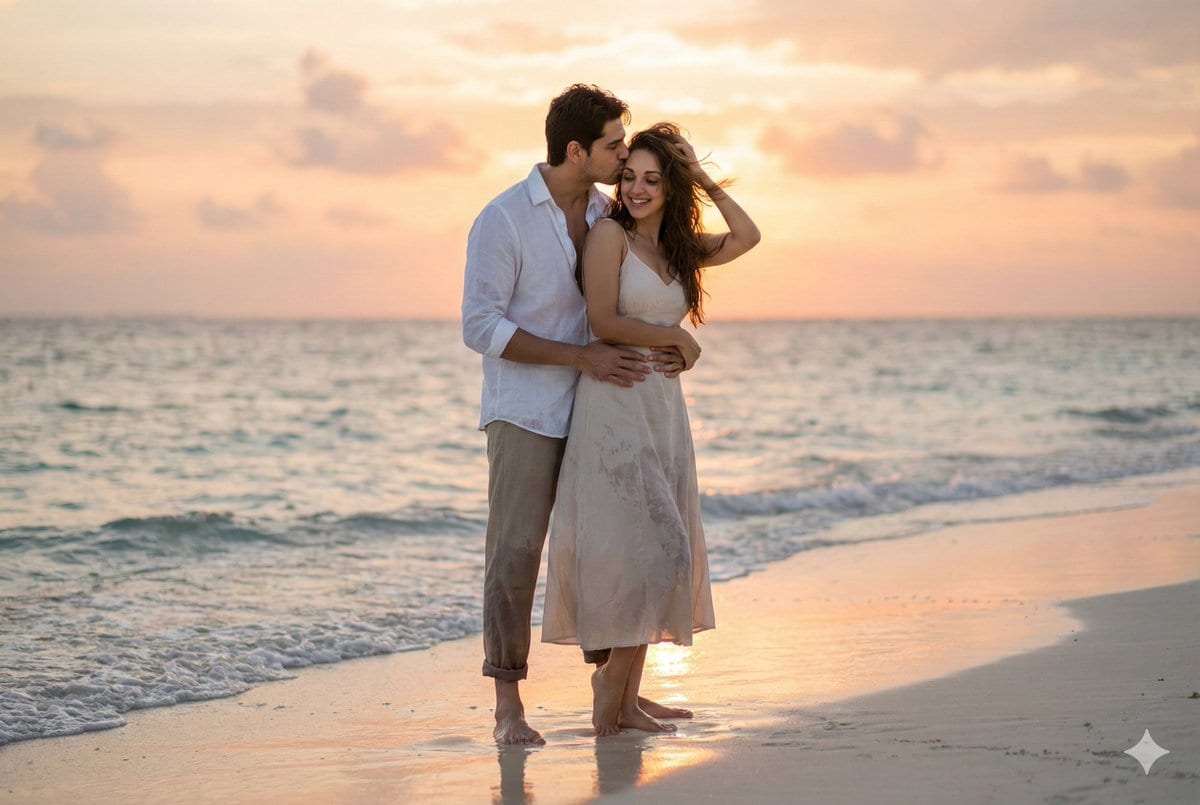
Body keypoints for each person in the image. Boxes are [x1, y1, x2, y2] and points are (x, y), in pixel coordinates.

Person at [461, 85, 688, 746]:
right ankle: (508, 704)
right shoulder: (503, 219)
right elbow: (480, 325)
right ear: (575, 149)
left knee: (612, 547)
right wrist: (579, 356)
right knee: (516, 552)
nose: (624, 155)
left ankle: (614, 690)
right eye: (615, 145)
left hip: (598, 407)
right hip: (526, 412)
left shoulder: (603, 212)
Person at [541, 122, 760, 736]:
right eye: (629, 176)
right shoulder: (608, 235)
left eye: (653, 180)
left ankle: (629, 699)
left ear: (672, 186)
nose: (636, 189)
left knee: (658, 549)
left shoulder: (681, 249)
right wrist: (676, 338)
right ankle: (609, 686)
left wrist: (703, 177)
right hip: (614, 411)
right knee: (654, 550)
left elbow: (748, 235)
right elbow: (604, 319)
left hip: (662, 414)